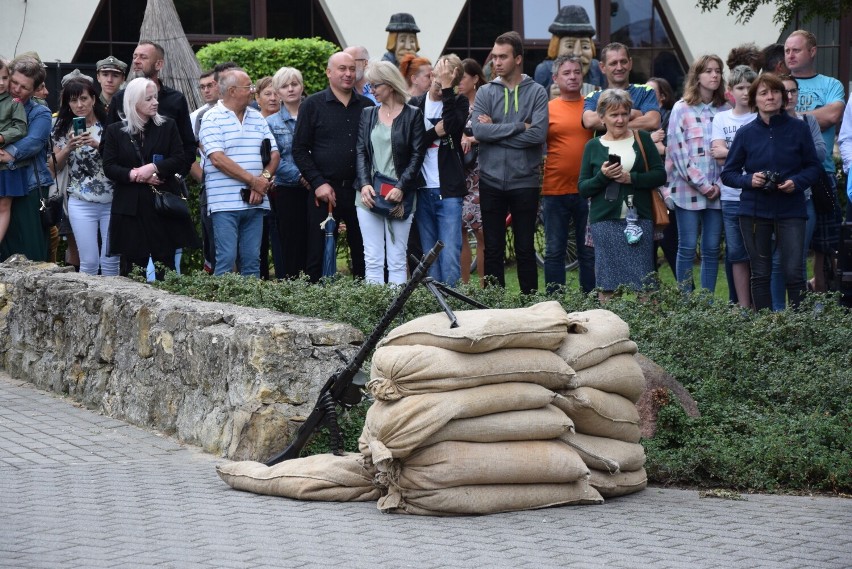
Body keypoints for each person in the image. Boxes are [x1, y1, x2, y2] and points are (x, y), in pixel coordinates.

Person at [720, 73, 822, 310]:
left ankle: (798, 328)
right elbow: (728, 174)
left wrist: (796, 182)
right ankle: (765, 332)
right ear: (755, 99)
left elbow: (813, 167)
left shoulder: (799, 129)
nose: (770, 97)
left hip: (791, 208)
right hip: (754, 210)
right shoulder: (745, 133)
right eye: (764, 93)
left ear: (783, 97)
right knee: (761, 273)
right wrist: (749, 180)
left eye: (775, 91)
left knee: (795, 272)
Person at [471, 31, 549, 295]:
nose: (496, 62)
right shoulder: (484, 91)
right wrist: (519, 127)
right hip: (491, 180)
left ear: (517, 59)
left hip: (525, 180)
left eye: (502, 57)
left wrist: (497, 133)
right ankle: (496, 304)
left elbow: (538, 135)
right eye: (494, 57)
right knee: (492, 248)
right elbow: (479, 133)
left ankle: (530, 306)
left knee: (525, 248)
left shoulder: (537, 92)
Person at [100, 78, 199, 278]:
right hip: (130, 207)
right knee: (134, 270)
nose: (155, 102)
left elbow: (180, 158)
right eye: (148, 98)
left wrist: (153, 167)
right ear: (133, 102)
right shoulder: (115, 131)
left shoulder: (168, 126)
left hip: (161, 206)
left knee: (166, 268)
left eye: (155, 97)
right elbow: (109, 167)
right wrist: (137, 175)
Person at [292, 52, 374, 282]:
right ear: (329, 72)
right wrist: (318, 182)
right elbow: (299, 149)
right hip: (325, 192)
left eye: (351, 69)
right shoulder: (312, 105)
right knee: (317, 256)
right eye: (342, 69)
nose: (348, 74)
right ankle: (316, 309)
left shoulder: (367, 106)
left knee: (365, 254)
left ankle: (365, 304)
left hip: (361, 191)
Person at [578, 89, 666, 302]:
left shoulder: (642, 139)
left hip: (638, 219)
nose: (620, 120)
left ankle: (650, 331)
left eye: (624, 114)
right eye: (613, 115)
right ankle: (609, 330)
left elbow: (659, 175)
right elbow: (583, 188)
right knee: (608, 286)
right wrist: (603, 176)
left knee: (645, 284)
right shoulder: (593, 146)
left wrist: (631, 178)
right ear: (602, 117)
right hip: (605, 222)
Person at [199, 68, 280, 278]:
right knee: (225, 259)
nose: (253, 90)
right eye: (249, 87)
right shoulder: (211, 118)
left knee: (253, 261)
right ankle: (220, 310)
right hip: (224, 203)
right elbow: (218, 159)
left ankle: (250, 311)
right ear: (233, 91)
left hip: (255, 201)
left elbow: (274, 154)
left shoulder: (257, 118)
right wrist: (255, 182)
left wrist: (263, 181)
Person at [785, 30, 845, 293]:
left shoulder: (831, 84)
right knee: (792, 241)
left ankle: (820, 290)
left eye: (796, 50)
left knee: (827, 241)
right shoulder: (778, 83)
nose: (790, 55)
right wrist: (811, 117)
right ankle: (794, 297)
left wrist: (791, 115)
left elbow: (832, 115)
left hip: (823, 172)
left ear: (812, 51)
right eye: (787, 50)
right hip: (788, 173)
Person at [355, 61, 425, 284]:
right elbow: (360, 152)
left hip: (400, 195)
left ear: (390, 84)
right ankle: (374, 313)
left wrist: (401, 187)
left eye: (375, 85)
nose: (371, 91)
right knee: (372, 259)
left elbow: (417, 155)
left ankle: (397, 314)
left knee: (396, 259)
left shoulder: (413, 114)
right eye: (370, 86)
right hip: (368, 193)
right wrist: (364, 183)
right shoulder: (368, 114)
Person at [664, 54, 729, 293]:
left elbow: (732, 152)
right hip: (687, 190)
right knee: (688, 246)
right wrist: (703, 185)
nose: (714, 75)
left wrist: (719, 185)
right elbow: (678, 153)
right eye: (708, 71)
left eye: (718, 71)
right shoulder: (681, 108)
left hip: (718, 190)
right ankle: (686, 302)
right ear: (697, 76)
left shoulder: (726, 109)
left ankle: (707, 303)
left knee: (712, 248)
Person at [410, 54, 468, 286]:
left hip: (449, 190)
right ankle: (434, 305)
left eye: (444, 77)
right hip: (422, 189)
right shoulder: (415, 104)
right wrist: (434, 132)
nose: (436, 80)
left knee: (451, 251)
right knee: (428, 253)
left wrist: (447, 91)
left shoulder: (458, 102)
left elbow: (453, 127)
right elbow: (412, 143)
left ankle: (452, 302)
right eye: (435, 74)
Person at [769, 74, 826, 310]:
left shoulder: (807, 121)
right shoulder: (768, 122)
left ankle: (798, 313)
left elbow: (820, 154)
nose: (790, 96)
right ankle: (775, 311)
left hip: (804, 198)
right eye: (785, 91)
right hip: (772, 200)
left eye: (794, 91)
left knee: (799, 258)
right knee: (776, 259)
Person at [51, 78, 118, 276]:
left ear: (93, 99)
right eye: (73, 100)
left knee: (111, 261)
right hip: (80, 201)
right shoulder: (62, 129)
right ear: (68, 104)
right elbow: (53, 167)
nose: (79, 105)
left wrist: (98, 145)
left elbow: (121, 161)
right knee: (88, 262)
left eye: (83, 98)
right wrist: (68, 148)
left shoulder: (109, 126)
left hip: (112, 200)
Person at [542, 54, 594, 294]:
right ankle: (555, 302)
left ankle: (591, 301)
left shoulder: (592, 106)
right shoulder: (547, 109)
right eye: (566, 73)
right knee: (554, 250)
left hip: (589, 189)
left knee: (588, 250)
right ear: (555, 78)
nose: (573, 76)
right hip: (554, 188)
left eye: (576, 72)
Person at [106, 42, 195, 175]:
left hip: (167, 184)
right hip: (129, 185)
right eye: (134, 56)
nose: (136, 61)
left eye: (143, 57)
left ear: (159, 64)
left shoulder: (176, 99)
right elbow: (107, 146)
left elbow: (188, 145)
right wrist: (131, 175)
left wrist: (176, 176)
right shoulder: (120, 99)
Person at [709, 65, 757, 308]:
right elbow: (717, 157)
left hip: (759, 195)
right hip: (730, 196)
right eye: (740, 87)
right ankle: (744, 307)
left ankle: (761, 305)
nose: (745, 92)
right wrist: (744, 155)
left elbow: (764, 157)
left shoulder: (761, 117)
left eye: (750, 86)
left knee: (760, 253)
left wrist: (730, 153)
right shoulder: (721, 118)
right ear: (730, 91)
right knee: (736, 253)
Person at [0, 55, 52, 262]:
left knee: (29, 250)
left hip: (29, 186)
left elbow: (34, 142)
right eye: (14, 82)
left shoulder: (40, 112)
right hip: (4, 182)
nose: (16, 89)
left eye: (24, 87)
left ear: (35, 90)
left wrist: (6, 153)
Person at [267, 66, 309, 279]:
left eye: (295, 84)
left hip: (316, 188)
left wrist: (314, 177)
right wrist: (300, 176)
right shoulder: (271, 123)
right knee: (291, 243)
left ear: (302, 87)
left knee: (315, 242)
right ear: (277, 91)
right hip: (288, 189)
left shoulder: (314, 114)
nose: (291, 89)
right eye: (285, 86)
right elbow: (274, 158)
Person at [582, 43, 660, 132]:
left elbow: (653, 122)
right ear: (602, 67)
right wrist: (634, 113)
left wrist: (610, 121)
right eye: (613, 63)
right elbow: (589, 122)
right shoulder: (594, 96)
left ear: (630, 63)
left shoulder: (645, 91)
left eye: (623, 62)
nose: (619, 67)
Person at [533, 5, 605, 96]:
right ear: (556, 48)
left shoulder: (597, 69)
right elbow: (535, 104)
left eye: (585, 47)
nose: (577, 53)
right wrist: (548, 97)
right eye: (570, 46)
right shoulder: (545, 70)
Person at [646, 76, 678, 277]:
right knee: (647, 249)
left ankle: (687, 294)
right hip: (644, 190)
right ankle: (651, 298)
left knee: (670, 243)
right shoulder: (641, 119)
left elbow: (672, 150)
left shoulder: (669, 118)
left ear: (663, 97)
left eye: (651, 93)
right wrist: (651, 142)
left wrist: (656, 146)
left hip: (667, 191)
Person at [459, 57, 486, 286]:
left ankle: (484, 286)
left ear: (475, 78)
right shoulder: (455, 104)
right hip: (459, 175)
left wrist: (472, 138)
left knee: (481, 233)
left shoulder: (485, 104)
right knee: (461, 234)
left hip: (481, 174)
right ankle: (466, 286)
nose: (458, 82)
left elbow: (493, 131)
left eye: (463, 77)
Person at [254, 76, 282, 279]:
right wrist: (264, 178)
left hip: (283, 189)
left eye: (276, 93)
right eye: (267, 94)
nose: (273, 98)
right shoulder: (254, 123)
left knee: (282, 240)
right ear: (257, 98)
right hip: (258, 188)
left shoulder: (289, 121)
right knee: (259, 242)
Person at [0, 57, 28, 247]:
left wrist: (2, 137)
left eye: (4, 77)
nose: (1, 83)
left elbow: (20, 128)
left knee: (3, 206)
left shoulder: (14, 101)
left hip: (6, 164)